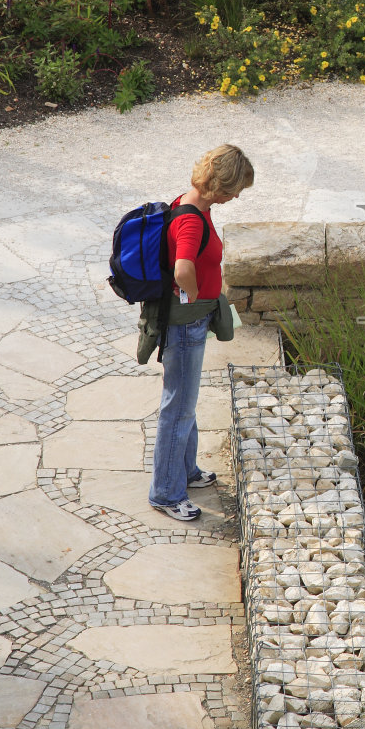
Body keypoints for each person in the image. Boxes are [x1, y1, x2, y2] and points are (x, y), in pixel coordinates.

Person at [147, 143, 254, 522]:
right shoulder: (192, 219)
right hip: (186, 323)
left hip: (191, 321)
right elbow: (181, 269)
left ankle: (186, 471)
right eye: (234, 189)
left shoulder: (189, 202)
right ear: (217, 185)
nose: (237, 196)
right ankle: (165, 492)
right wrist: (193, 297)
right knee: (177, 408)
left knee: (185, 403)